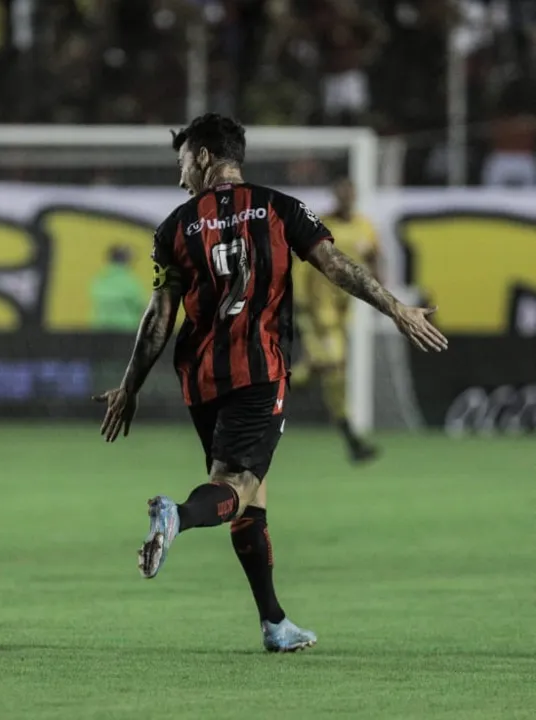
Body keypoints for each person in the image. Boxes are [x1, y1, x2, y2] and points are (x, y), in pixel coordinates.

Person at [93, 114, 447, 652]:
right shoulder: (283, 209)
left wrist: (130, 386)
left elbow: (158, 317)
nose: (181, 174)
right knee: (235, 488)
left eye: (184, 161)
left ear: (206, 156)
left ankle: (274, 623)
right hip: (259, 371)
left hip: (200, 378)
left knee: (251, 497)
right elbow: (336, 265)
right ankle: (179, 516)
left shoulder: (174, 228)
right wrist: (394, 308)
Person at [290, 176, 380, 463]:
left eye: (350, 193)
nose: (346, 198)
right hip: (316, 311)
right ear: (335, 196)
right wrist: (298, 302)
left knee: (330, 371)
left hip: (342, 313)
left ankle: (288, 381)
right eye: (341, 194)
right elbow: (301, 264)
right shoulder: (321, 225)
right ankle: (351, 439)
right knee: (334, 367)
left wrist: (380, 284)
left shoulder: (364, 226)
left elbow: (374, 255)